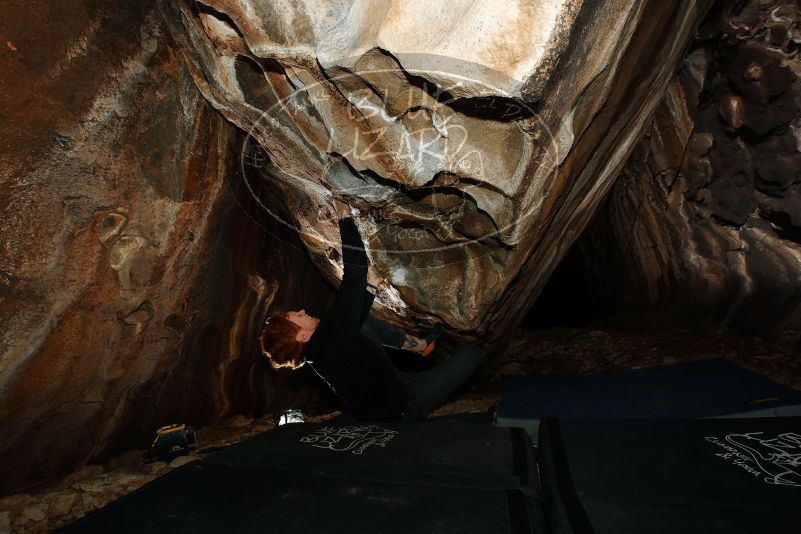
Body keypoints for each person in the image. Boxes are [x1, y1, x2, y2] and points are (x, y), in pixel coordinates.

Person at [259, 198, 483, 422]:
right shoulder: (332, 337)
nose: (300, 310)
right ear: (301, 335)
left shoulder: (320, 349)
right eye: (295, 317)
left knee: (360, 323)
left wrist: (371, 285)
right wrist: (344, 217)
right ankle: (424, 387)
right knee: (472, 351)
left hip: (388, 383)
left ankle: (421, 346)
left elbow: (352, 315)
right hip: (404, 405)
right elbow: (354, 272)